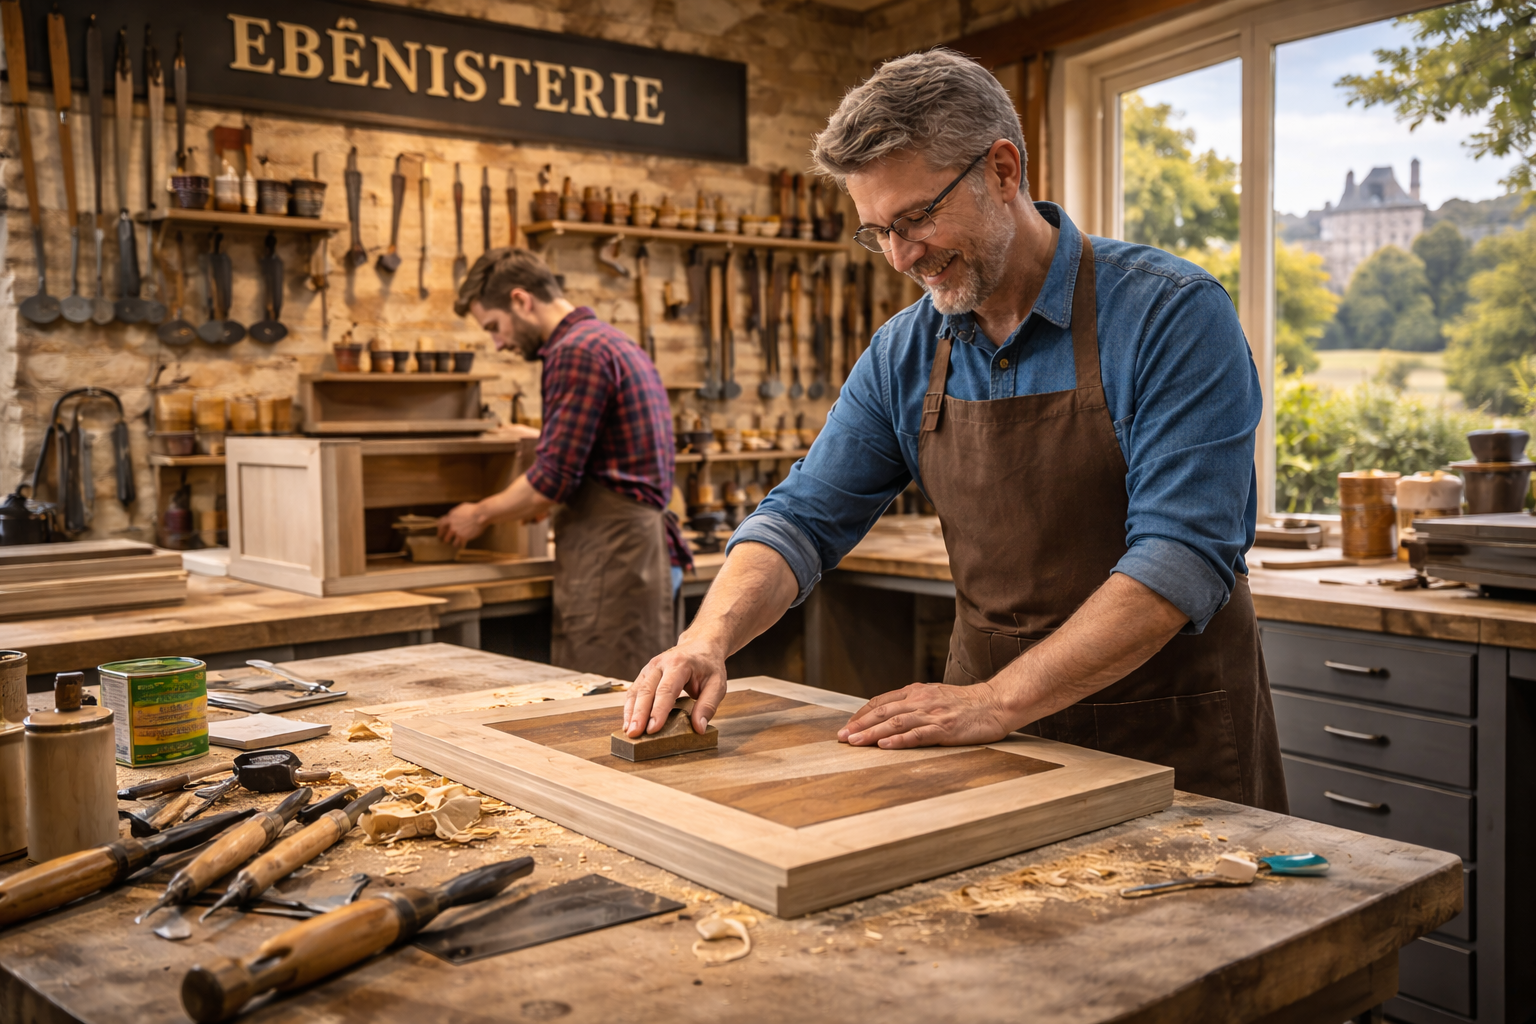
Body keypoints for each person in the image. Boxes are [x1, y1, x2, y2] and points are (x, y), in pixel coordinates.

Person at [621, 48, 1286, 811]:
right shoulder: (906, 349)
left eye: (917, 217)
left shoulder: (1170, 313)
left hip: (1167, 742)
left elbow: (1181, 558)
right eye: (878, 232)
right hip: (987, 744)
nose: (902, 257)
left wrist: (996, 700)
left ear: (1002, 171)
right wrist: (707, 639)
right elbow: (801, 519)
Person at [439, 248, 690, 679]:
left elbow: (551, 479)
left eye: (494, 327)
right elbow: (590, 459)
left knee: (607, 705)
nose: (499, 343)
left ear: (521, 300)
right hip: (631, 552)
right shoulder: (607, 339)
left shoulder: (575, 351)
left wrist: (477, 514)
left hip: (615, 560)